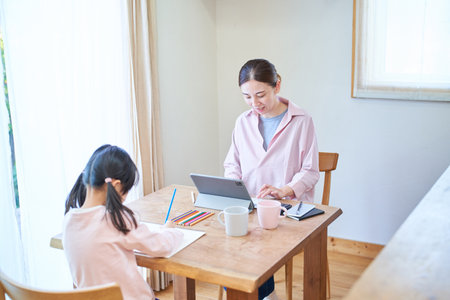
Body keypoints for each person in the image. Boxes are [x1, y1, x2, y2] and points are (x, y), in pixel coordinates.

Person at [224, 59, 319, 300]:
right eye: (247, 97)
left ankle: (264, 295)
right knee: (226, 249)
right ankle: (265, 295)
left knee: (251, 249)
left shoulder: (302, 120)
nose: (254, 104)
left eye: (260, 95)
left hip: (285, 211)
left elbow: (310, 171)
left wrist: (285, 190)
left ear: (277, 85)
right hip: (250, 207)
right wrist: (235, 186)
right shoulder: (242, 122)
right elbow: (232, 164)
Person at [63, 144, 183, 300]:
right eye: (126, 190)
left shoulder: (69, 221)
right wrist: (170, 230)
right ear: (116, 185)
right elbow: (160, 246)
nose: (125, 197)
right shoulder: (115, 219)